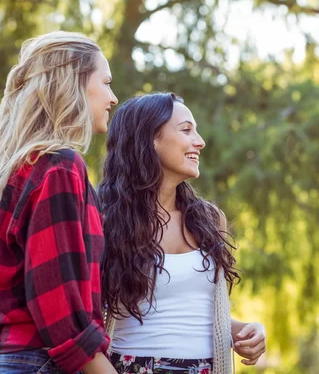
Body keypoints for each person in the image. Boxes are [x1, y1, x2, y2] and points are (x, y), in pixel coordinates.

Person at [0, 31, 118, 374]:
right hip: (38, 363)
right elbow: (56, 300)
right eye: (106, 82)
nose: (112, 97)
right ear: (75, 83)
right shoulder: (59, 165)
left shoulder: (30, 166)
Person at [98, 92, 267, 374]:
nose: (199, 142)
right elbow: (81, 322)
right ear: (149, 138)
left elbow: (200, 316)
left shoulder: (209, 220)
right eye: (187, 130)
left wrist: (246, 331)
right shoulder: (105, 220)